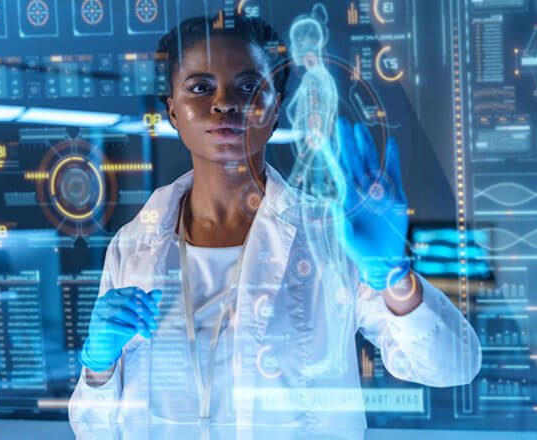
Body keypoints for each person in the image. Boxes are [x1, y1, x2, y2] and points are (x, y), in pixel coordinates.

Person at [68, 13, 481, 433]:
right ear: (173, 110)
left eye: (249, 86)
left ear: (276, 107)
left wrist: (395, 276)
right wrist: (99, 367)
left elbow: (453, 365)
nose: (224, 103)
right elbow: (93, 430)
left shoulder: (332, 235)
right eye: (199, 87)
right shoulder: (133, 245)